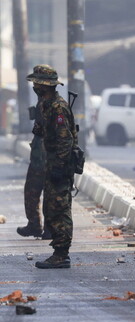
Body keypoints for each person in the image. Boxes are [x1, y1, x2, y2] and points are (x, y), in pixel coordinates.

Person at [26, 64, 76, 269]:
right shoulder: (45, 104)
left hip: (60, 164)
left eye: (37, 83)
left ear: (45, 85)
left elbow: (66, 140)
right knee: (50, 207)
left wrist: (60, 166)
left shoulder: (58, 107)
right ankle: (58, 251)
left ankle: (62, 254)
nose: (35, 86)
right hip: (51, 162)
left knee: (59, 208)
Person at [16, 106, 51, 240]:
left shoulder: (54, 105)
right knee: (31, 191)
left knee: (50, 195)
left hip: (48, 159)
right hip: (38, 158)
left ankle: (49, 228)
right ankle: (35, 225)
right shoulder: (43, 102)